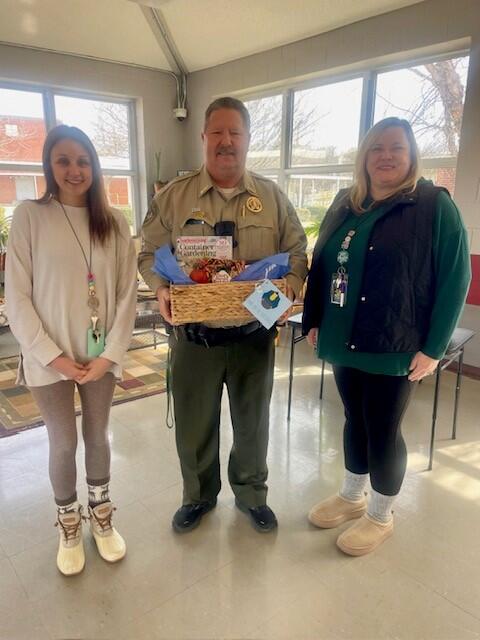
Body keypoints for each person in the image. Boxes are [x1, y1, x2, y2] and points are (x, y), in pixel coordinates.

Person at [302, 117, 471, 556]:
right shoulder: (346, 202)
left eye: (396, 147)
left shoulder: (434, 205)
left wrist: (434, 348)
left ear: (411, 155)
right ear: (364, 156)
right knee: (353, 419)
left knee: (383, 428)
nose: (386, 156)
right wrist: (314, 318)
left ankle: (381, 515)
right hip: (342, 336)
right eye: (377, 148)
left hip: (394, 342)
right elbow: (322, 263)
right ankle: (351, 495)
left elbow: (456, 278)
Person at [138, 96, 307, 533]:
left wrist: (289, 286)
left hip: (254, 336)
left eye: (235, 132)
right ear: (204, 138)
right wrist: (159, 289)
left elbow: (296, 252)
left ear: (248, 139)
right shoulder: (174, 198)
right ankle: (198, 497)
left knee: (252, 425)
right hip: (195, 339)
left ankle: (252, 495)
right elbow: (147, 253)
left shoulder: (271, 197)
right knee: (194, 428)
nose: (226, 141)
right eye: (217, 132)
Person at [6, 125, 138, 575]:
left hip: (100, 355)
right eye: (63, 160)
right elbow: (16, 299)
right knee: (63, 443)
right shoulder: (29, 216)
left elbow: (125, 294)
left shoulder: (114, 221)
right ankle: (67, 522)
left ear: (94, 166)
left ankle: (101, 517)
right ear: (49, 165)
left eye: (83, 161)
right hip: (49, 356)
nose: (74, 170)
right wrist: (52, 356)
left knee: (97, 435)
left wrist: (109, 354)